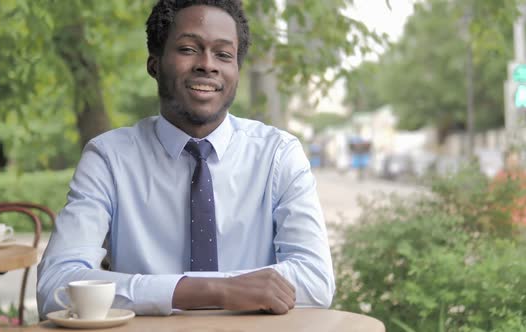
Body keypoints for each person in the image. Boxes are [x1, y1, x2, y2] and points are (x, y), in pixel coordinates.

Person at [37, 0, 334, 317]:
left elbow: (315, 281)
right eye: (189, 49)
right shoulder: (109, 158)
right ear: (154, 64)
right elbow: (55, 286)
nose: (208, 64)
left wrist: (165, 291)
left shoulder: (278, 155)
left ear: (236, 70)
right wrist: (213, 291)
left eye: (223, 54)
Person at [492, 147, 526, 225]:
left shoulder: (523, 177)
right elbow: (495, 202)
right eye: (511, 160)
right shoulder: (499, 178)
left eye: (516, 160)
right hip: (506, 221)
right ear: (506, 161)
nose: (514, 163)